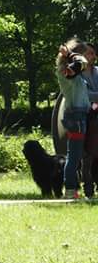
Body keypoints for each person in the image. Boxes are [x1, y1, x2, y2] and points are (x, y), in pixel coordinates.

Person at [56, 38, 90, 199]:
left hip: (80, 115)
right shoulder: (68, 71)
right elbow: (81, 61)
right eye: (84, 52)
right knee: (74, 155)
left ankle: (73, 190)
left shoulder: (73, 70)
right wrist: (71, 54)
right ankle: (70, 190)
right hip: (75, 117)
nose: (88, 57)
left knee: (76, 155)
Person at [81, 42, 98, 199]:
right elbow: (85, 95)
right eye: (87, 53)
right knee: (88, 156)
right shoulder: (77, 75)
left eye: (92, 53)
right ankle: (88, 190)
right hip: (84, 117)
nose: (90, 56)